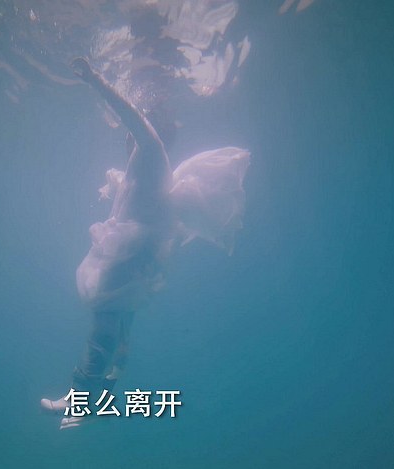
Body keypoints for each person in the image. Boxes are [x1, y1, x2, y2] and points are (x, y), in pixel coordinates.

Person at [41, 58, 250, 429]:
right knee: (117, 328)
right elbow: (136, 195)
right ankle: (94, 398)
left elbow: (131, 116)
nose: (126, 136)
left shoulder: (150, 147)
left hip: (128, 253)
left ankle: (82, 399)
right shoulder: (147, 158)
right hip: (135, 253)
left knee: (107, 324)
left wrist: (96, 80)